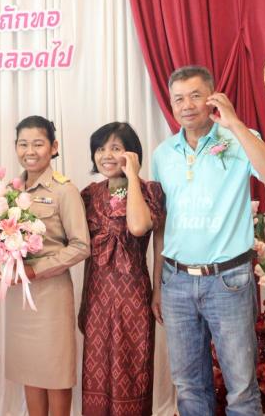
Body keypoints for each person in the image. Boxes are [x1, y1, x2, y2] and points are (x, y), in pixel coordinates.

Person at [151, 66, 265, 416]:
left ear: (212, 98)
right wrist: (158, 285)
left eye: (195, 96)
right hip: (176, 282)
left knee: (240, 388)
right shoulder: (163, 155)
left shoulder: (239, 139)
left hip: (228, 280)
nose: (186, 105)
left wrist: (236, 125)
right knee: (188, 386)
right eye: (178, 99)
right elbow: (161, 225)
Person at [2, 115, 90, 416]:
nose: (30, 151)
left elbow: (81, 246)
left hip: (51, 295)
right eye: (23, 144)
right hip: (18, 296)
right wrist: (0, 265)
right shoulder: (9, 191)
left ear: (53, 147)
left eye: (38, 144)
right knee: (30, 370)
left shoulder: (64, 190)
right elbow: (0, 239)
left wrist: (35, 270)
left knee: (55, 372)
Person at [79, 122, 165, 416]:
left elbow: (142, 230)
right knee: (97, 371)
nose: (106, 155)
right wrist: (83, 301)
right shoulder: (89, 194)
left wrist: (133, 178)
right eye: (100, 149)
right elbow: (87, 254)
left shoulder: (150, 190)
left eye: (115, 148)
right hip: (98, 296)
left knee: (132, 370)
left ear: (132, 153)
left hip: (134, 296)